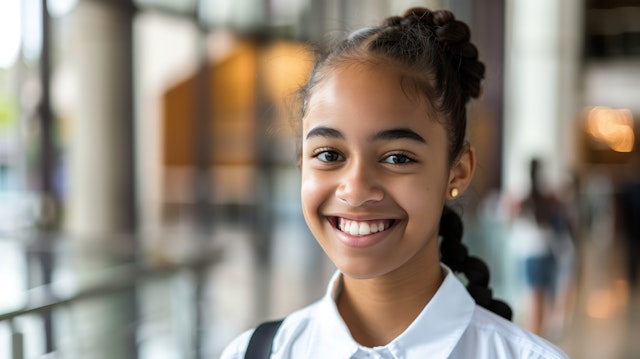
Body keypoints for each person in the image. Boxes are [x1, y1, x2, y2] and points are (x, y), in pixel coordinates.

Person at [221, 7, 568, 358]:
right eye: (329, 155)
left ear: (458, 171)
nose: (355, 190)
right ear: (301, 162)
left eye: (397, 158)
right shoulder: (254, 353)